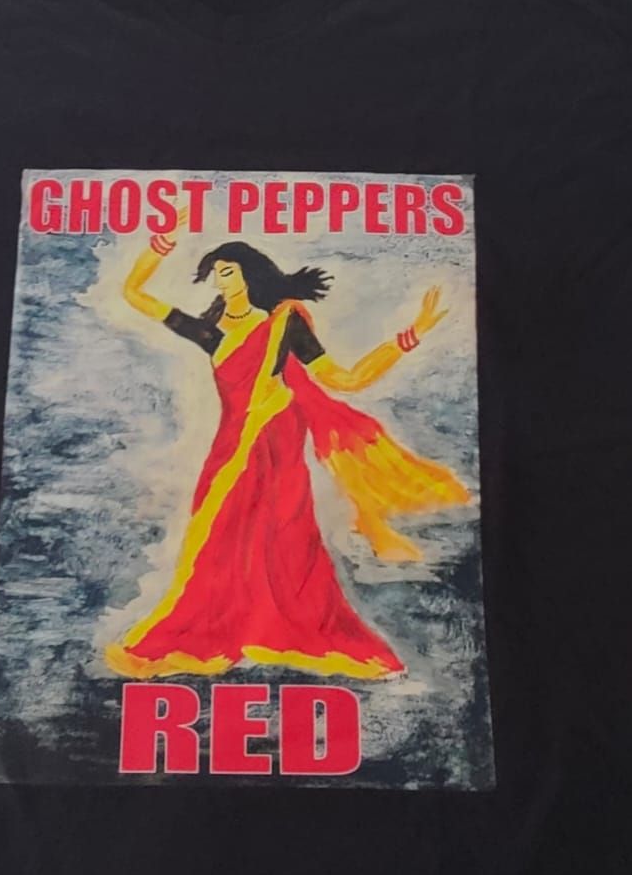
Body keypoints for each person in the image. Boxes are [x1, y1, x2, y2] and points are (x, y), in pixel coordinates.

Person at [102, 202, 471, 680]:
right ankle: (217, 628)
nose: (220, 281)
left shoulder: (284, 324)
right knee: (217, 542)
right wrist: (164, 240)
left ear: (249, 275)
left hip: (276, 441)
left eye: (228, 271)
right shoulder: (210, 333)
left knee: (287, 539)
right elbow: (133, 292)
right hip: (230, 448)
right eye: (216, 273)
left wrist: (410, 336)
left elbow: (346, 379)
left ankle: (289, 627)